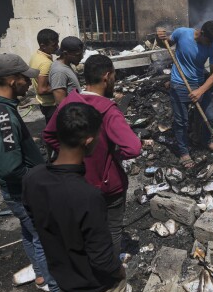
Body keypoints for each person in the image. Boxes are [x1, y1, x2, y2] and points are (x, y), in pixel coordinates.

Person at [24, 102, 127, 292]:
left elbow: (33, 221)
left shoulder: (33, 177)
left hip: (64, 276)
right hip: (96, 285)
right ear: (88, 141)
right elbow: (102, 259)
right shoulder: (87, 196)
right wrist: (119, 272)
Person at [43, 54, 141, 260]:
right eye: (114, 75)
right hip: (108, 185)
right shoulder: (109, 111)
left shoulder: (69, 102)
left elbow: (49, 135)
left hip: (76, 180)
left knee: (85, 228)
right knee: (112, 229)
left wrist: (74, 154)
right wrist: (113, 153)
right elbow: (133, 148)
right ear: (107, 77)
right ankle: (111, 272)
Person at [0, 53, 62, 292]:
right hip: (23, 191)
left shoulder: (0, 109)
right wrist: (38, 179)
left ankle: (40, 275)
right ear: (10, 79)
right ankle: (56, 290)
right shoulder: (4, 117)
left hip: (18, 191)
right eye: (24, 79)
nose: (29, 83)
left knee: (28, 232)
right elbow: (9, 167)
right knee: (44, 236)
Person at [156, 21, 213, 169]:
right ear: (201, 33)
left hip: (199, 84)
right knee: (181, 122)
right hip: (179, 84)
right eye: (208, 40)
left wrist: (201, 90)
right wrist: (159, 38)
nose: (209, 44)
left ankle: (205, 140)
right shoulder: (182, 33)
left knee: (209, 116)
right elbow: (165, 43)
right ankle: (184, 152)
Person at [29, 28, 59, 123]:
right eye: (54, 45)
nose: (57, 47)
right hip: (50, 104)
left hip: (43, 103)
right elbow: (42, 89)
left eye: (57, 43)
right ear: (43, 46)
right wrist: (62, 87)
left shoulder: (36, 55)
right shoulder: (46, 63)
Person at [49, 36, 84, 105]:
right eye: (78, 55)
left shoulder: (66, 65)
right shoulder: (59, 72)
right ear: (65, 54)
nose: (81, 57)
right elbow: (61, 103)